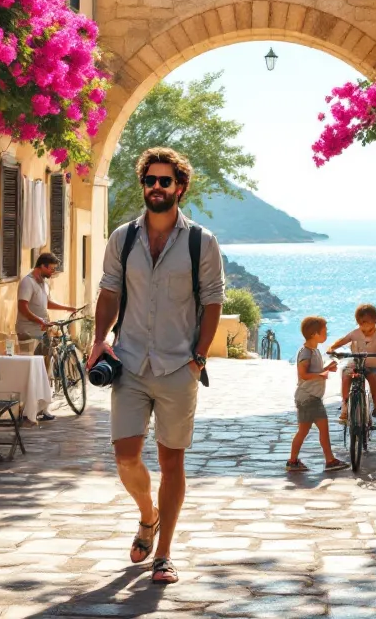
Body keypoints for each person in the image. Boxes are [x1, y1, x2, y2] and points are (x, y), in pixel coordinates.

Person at [88, 147, 224, 586]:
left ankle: (163, 553)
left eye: (165, 181)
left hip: (177, 365)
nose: (157, 187)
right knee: (126, 457)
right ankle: (148, 516)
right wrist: (99, 340)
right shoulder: (122, 238)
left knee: (171, 463)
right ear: (143, 185)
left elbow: (213, 301)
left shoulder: (202, 242)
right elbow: (109, 291)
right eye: (150, 180)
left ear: (180, 187)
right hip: (128, 361)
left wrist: (198, 356)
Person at [17, 251, 77, 421]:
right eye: (51, 268)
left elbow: (47, 303)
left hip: (43, 331)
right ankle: (27, 409)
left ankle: (42, 408)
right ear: (42, 266)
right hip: (29, 332)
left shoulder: (43, 283)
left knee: (44, 370)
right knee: (31, 371)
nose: (53, 272)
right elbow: (22, 307)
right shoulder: (27, 282)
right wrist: (39, 320)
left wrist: (67, 308)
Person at [287, 316, 349, 473]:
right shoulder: (306, 353)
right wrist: (322, 373)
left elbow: (314, 372)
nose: (327, 333)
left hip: (307, 397)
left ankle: (292, 461)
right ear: (314, 334)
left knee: (303, 431)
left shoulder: (314, 351)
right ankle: (330, 460)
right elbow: (303, 374)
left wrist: (326, 368)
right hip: (309, 398)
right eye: (324, 331)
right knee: (323, 429)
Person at [328, 304, 376, 422]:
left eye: (367, 322)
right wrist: (332, 348)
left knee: (374, 378)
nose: (364, 326)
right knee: (346, 375)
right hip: (356, 364)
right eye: (361, 323)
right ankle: (345, 404)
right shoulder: (355, 333)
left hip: (373, 365)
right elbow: (342, 340)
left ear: (374, 321)